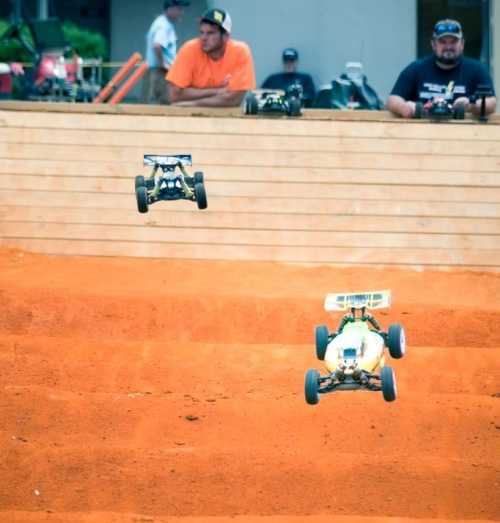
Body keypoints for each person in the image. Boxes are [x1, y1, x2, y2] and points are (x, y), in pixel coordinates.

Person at [387, 19, 496, 118]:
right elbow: (392, 100)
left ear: (462, 44)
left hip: (465, 135)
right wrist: (406, 108)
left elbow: (492, 103)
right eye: (443, 42)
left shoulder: (477, 69)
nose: (448, 47)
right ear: (433, 44)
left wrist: (471, 105)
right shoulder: (416, 68)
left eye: (453, 42)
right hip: (421, 134)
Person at [166, 8, 256, 107]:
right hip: (190, 118)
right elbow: (174, 94)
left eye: (210, 33)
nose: (204, 38)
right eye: (201, 32)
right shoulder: (189, 49)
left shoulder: (240, 51)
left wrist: (190, 104)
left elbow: (234, 99)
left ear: (226, 36)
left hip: (226, 118)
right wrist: (218, 91)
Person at [143, 0, 190, 104]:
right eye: (179, 9)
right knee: (164, 104)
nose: (182, 12)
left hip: (158, 71)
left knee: (161, 104)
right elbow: (157, 45)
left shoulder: (162, 23)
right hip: (160, 71)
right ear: (170, 8)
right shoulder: (164, 25)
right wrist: (164, 65)